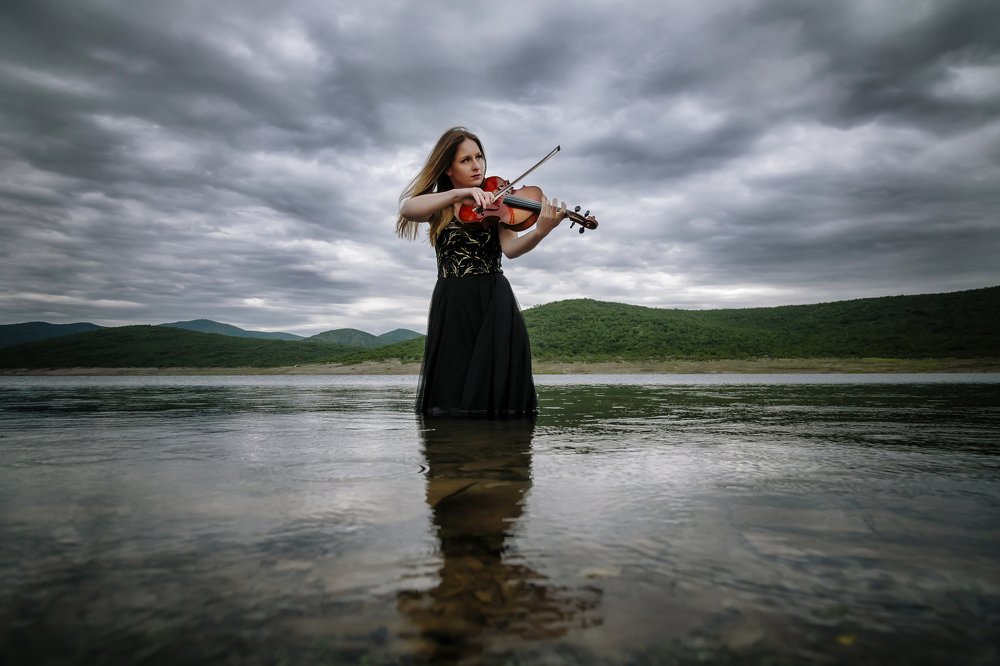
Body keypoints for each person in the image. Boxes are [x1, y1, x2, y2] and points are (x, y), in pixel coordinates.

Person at [396, 127, 568, 417]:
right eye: (466, 160)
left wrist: (540, 231)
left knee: (500, 391)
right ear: (448, 167)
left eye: (479, 157)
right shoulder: (441, 205)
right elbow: (407, 208)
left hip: (494, 299)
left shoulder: (495, 201)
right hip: (453, 302)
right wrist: (461, 194)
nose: (477, 165)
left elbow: (510, 250)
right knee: (453, 393)